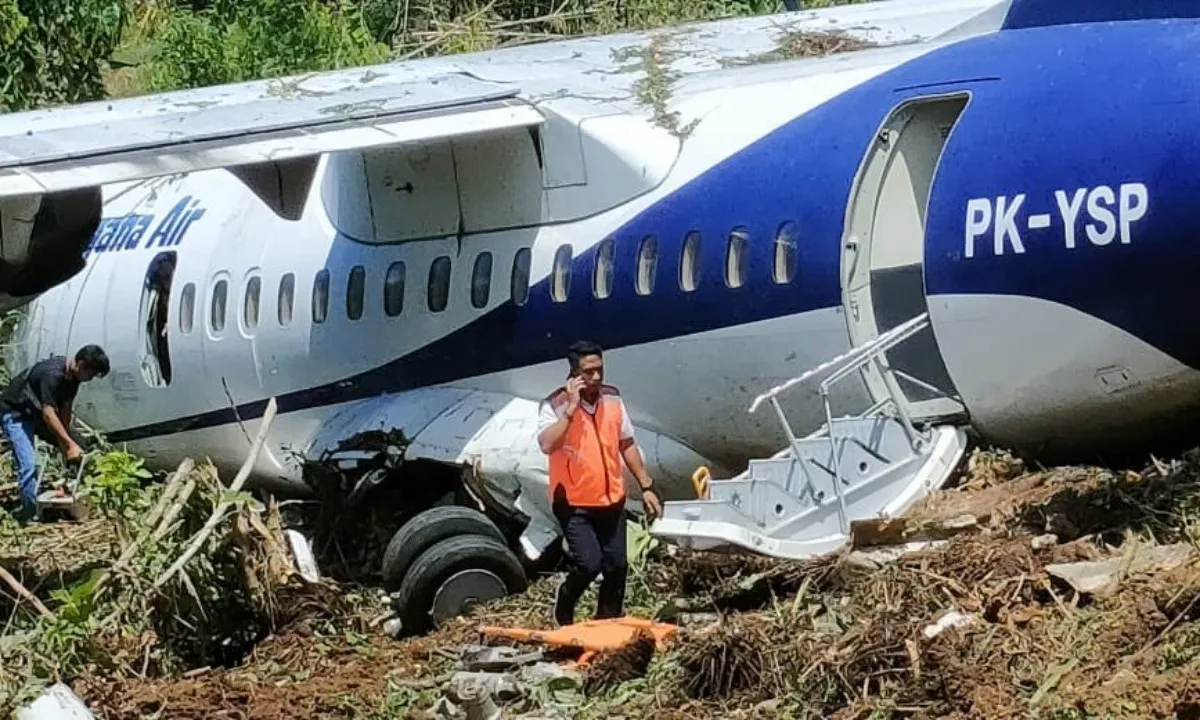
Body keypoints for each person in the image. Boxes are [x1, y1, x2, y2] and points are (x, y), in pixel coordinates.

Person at [537, 340, 663, 627]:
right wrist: (570, 409)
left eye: (599, 370)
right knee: (588, 564)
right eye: (588, 372)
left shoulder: (612, 399)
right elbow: (546, 444)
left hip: (611, 499)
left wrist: (646, 485)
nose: (595, 377)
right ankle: (564, 605)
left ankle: (607, 622)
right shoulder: (554, 405)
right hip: (573, 501)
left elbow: (626, 443)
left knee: (617, 565)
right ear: (574, 373)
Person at [0, 345, 110, 522]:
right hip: (16, 414)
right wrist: (68, 444)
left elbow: (65, 409)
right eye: (91, 374)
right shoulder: (52, 374)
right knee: (29, 464)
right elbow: (49, 413)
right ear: (81, 365)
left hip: (36, 413)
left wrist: (66, 442)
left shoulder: (73, 379)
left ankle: (72, 492)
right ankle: (30, 517)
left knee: (77, 446)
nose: (90, 379)